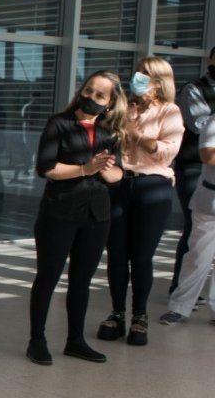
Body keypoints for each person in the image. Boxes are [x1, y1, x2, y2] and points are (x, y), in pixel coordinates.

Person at [26, 72, 127, 365]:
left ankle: (75, 340)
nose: (91, 98)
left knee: (81, 280)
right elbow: (46, 168)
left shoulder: (110, 132)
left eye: (100, 95)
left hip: (97, 215)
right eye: (88, 90)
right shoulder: (59, 123)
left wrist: (104, 168)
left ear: (109, 103)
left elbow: (117, 175)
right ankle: (37, 340)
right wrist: (85, 168)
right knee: (48, 276)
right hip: (59, 211)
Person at [96, 57, 184, 346]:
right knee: (117, 253)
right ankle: (117, 313)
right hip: (122, 183)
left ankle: (140, 316)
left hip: (153, 186)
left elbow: (168, 152)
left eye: (145, 74)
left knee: (142, 255)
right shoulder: (126, 109)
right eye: (138, 72)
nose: (138, 78)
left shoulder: (169, 111)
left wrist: (140, 137)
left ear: (159, 82)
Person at [160, 50, 215, 326]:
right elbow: (208, 150)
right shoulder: (197, 90)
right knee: (198, 250)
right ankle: (181, 304)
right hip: (203, 183)